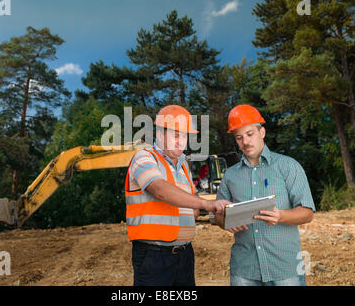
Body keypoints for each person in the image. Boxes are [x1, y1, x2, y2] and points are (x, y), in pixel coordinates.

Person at [215, 104, 316, 286]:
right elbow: (218, 216)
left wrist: (281, 216)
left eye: (250, 134)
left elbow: (307, 212)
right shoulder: (230, 175)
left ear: (262, 132)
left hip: (284, 268)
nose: (245, 142)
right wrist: (226, 221)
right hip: (244, 270)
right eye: (239, 137)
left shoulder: (288, 166)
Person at [125, 104, 224, 286]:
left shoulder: (184, 166)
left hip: (184, 255)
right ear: (161, 134)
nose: (181, 142)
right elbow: (160, 190)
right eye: (176, 136)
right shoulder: (144, 158)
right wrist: (207, 204)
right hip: (153, 256)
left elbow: (192, 208)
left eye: (185, 136)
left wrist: (219, 213)